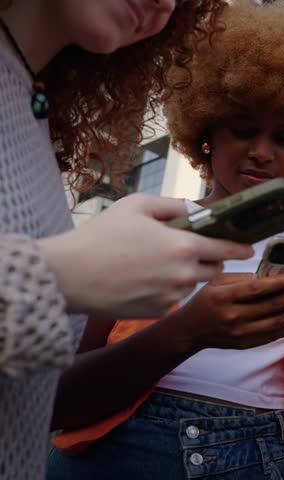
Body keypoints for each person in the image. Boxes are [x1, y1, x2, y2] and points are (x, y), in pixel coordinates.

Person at [45, 1, 284, 478]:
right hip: (120, 453)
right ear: (206, 130)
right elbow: (59, 399)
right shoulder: (147, 223)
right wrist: (189, 330)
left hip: (256, 457)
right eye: (244, 130)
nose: (261, 152)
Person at [0, 1, 256, 478]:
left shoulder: (34, 114)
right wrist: (60, 274)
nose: (166, 3)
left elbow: (35, 395)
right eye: (242, 130)